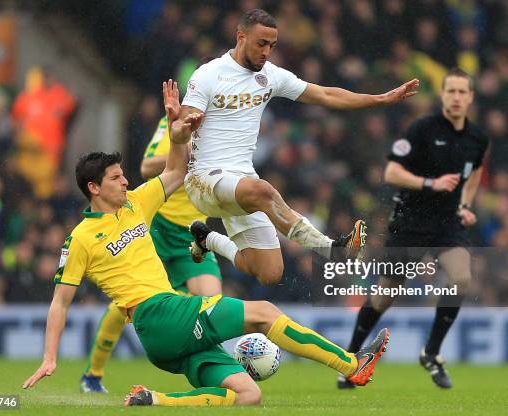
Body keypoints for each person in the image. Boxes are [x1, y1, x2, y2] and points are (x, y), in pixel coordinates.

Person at [23, 80, 391, 407]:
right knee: (263, 313)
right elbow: (60, 302)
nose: (125, 182)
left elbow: (176, 172)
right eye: (117, 178)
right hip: (157, 314)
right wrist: (49, 356)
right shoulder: (80, 239)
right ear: (93, 188)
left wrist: (176, 128)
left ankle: (154, 400)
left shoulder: (136, 203)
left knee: (249, 395)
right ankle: (351, 363)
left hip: (165, 332)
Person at [170, 9, 419, 287]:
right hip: (204, 179)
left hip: (241, 182)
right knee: (263, 190)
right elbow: (181, 129)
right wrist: (178, 126)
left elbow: (324, 94)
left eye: (272, 46)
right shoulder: (208, 74)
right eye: (261, 43)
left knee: (269, 273)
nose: (267, 52)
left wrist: (378, 100)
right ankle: (332, 249)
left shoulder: (270, 76)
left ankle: (206, 238)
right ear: (241, 37)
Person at [339, 68, 489, 390]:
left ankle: (431, 353)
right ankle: (349, 358)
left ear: (471, 97)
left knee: (461, 278)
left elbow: (474, 172)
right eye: (451, 91)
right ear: (443, 95)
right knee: (384, 296)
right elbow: (391, 172)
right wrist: (429, 183)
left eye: (463, 92)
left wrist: (464, 205)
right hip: (410, 222)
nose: (457, 97)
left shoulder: (477, 139)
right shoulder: (422, 129)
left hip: (447, 224)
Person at [79, 106, 223, 393]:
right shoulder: (175, 126)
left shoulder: (225, 132)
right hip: (159, 226)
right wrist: (191, 152)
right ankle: (92, 375)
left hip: (191, 233)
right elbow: (147, 168)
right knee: (127, 304)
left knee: (213, 301)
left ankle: (217, 371)